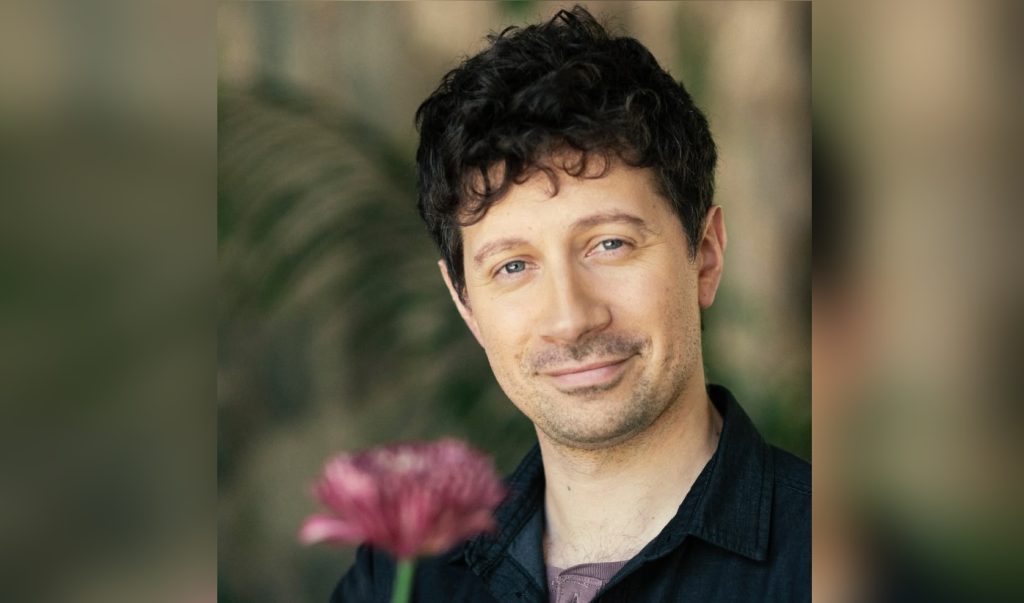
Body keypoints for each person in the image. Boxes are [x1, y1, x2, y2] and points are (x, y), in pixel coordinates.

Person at [332, 6, 809, 602]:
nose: (571, 318)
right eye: (513, 266)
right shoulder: (400, 579)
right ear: (465, 304)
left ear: (705, 257)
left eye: (610, 244)